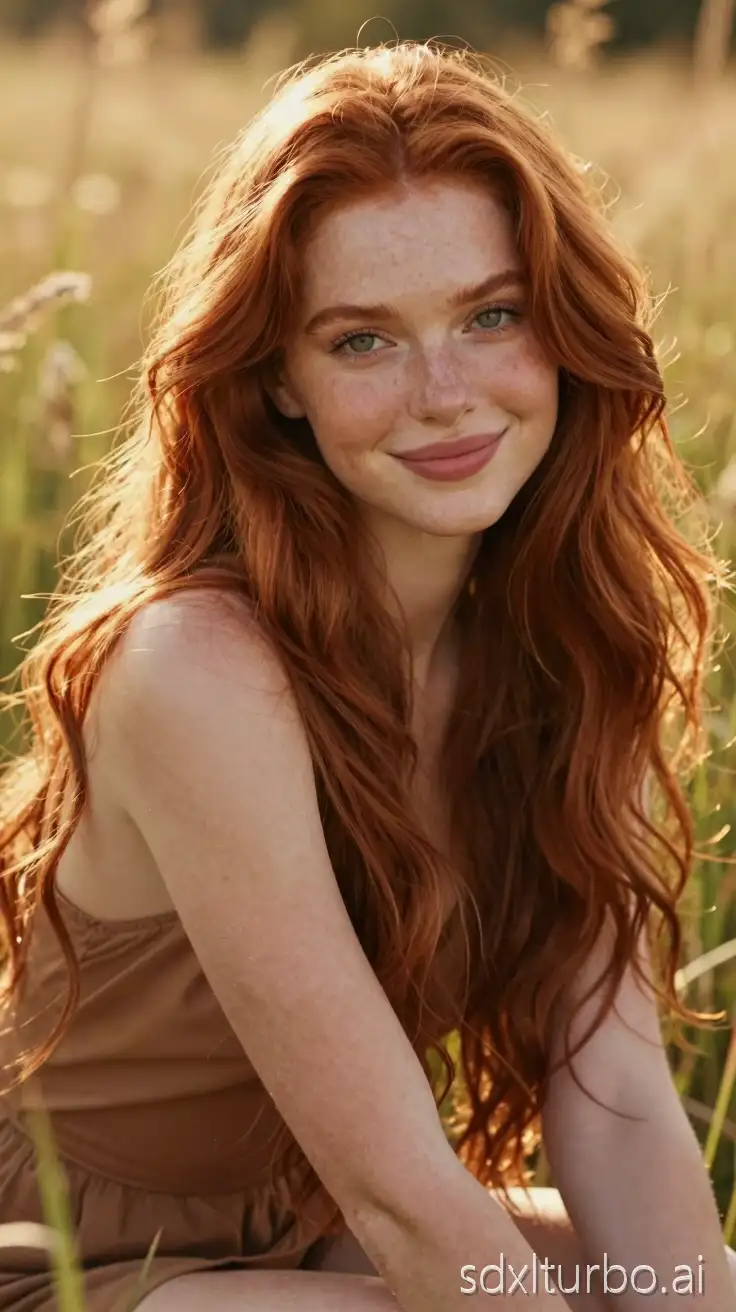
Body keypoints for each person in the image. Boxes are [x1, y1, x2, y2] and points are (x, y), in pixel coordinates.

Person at [0, 38, 734, 1312]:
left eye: (490, 315)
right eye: (361, 343)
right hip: (55, 1244)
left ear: (562, 328)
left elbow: (613, 1109)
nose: (444, 395)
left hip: (306, 1220)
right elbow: (410, 1198)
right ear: (274, 379)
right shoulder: (198, 671)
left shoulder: (567, 640)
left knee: (685, 1282)